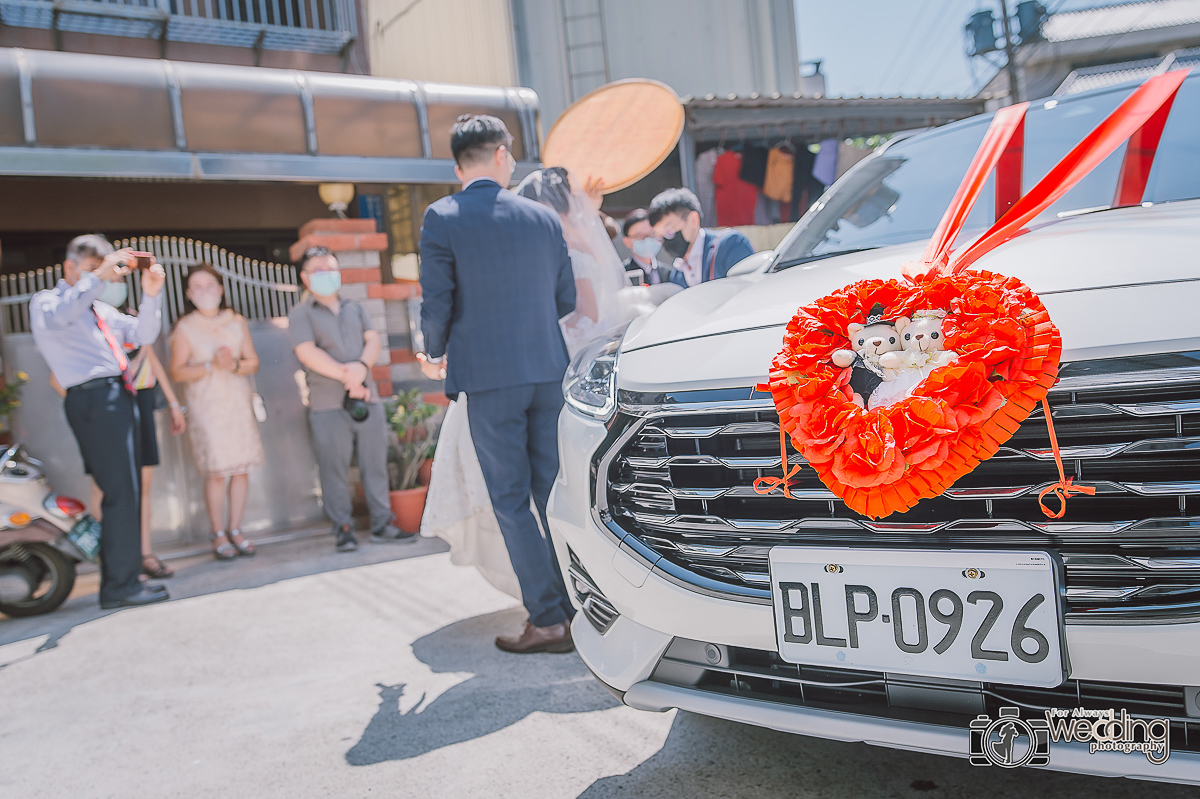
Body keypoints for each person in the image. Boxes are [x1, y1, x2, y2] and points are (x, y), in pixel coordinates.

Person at [418, 114, 578, 654]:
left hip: (489, 378)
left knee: (511, 502)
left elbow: (437, 301)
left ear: (457, 165)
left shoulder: (442, 218)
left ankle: (549, 619)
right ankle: (581, 611)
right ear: (503, 156)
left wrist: (433, 350)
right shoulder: (542, 218)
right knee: (553, 493)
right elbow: (565, 301)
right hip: (547, 370)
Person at [30, 234, 169, 609]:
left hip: (117, 396)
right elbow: (62, 315)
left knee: (127, 489)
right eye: (93, 269)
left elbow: (143, 335)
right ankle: (120, 586)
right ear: (69, 267)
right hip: (93, 397)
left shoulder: (100, 311)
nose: (104, 277)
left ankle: (122, 581)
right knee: (120, 492)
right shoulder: (48, 302)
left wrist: (151, 294)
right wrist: (98, 279)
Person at [288, 246, 416, 552]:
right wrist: (349, 378)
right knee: (334, 468)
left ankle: (382, 523)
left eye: (331, 269)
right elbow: (307, 352)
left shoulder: (354, 307)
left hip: (366, 400)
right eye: (319, 271)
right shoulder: (301, 313)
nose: (327, 276)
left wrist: (360, 369)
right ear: (306, 278)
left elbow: (372, 340)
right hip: (328, 404)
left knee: (376, 464)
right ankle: (343, 528)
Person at [169, 264, 264, 561]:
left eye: (210, 285)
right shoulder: (185, 327)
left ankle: (236, 529)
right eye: (197, 287)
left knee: (240, 468)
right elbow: (177, 371)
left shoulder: (235, 321)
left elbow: (253, 363)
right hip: (206, 406)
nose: (205, 291)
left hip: (236, 401)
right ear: (188, 293)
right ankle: (217, 533)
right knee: (217, 471)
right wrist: (211, 365)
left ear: (221, 288)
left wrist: (233, 364)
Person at [648, 188, 755, 288]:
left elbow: (749, 292)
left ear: (693, 220)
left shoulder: (730, 245)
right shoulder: (677, 275)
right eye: (660, 237)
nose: (666, 242)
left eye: (669, 231)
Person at [620, 208, 675, 286]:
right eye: (640, 236)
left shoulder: (669, 273)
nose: (648, 240)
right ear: (627, 242)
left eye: (652, 234)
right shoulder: (622, 274)